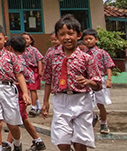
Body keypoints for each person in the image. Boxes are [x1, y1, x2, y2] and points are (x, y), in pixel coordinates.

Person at [41, 14, 102, 151]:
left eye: (70, 33)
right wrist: (45, 101)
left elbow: (98, 85)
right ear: (57, 36)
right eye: (62, 34)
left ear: (78, 35)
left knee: (80, 141)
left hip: (81, 100)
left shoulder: (86, 58)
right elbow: (48, 79)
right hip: (61, 100)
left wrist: (88, 81)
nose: (66, 37)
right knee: (62, 140)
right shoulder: (51, 56)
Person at [0, 24, 32, 151]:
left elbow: (19, 75)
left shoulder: (11, 56)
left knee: (12, 124)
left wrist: (25, 93)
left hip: (8, 89)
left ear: (5, 39)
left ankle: (17, 142)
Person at [4, 36, 46, 151]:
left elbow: (28, 76)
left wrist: (21, 86)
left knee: (15, 119)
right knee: (22, 118)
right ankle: (38, 141)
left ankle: (9, 143)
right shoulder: (19, 58)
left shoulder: (17, 60)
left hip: (20, 93)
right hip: (15, 93)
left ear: (10, 48)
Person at [81, 28, 115, 134]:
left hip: (100, 80)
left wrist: (108, 80)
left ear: (96, 39)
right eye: (86, 39)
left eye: (90, 38)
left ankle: (104, 123)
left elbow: (108, 66)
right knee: (87, 104)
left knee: (100, 104)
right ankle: (91, 118)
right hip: (88, 81)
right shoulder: (82, 54)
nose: (88, 41)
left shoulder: (102, 53)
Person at [21, 32, 43, 116]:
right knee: (26, 89)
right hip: (24, 72)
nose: (25, 41)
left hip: (33, 71)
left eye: (27, 39)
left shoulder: (34, 50)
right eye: (23, 39)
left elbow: (40, 59)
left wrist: (40, 71)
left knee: (33, 89)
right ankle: (38, 106)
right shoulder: (21, 50)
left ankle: (33, 107)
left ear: (31, 40)